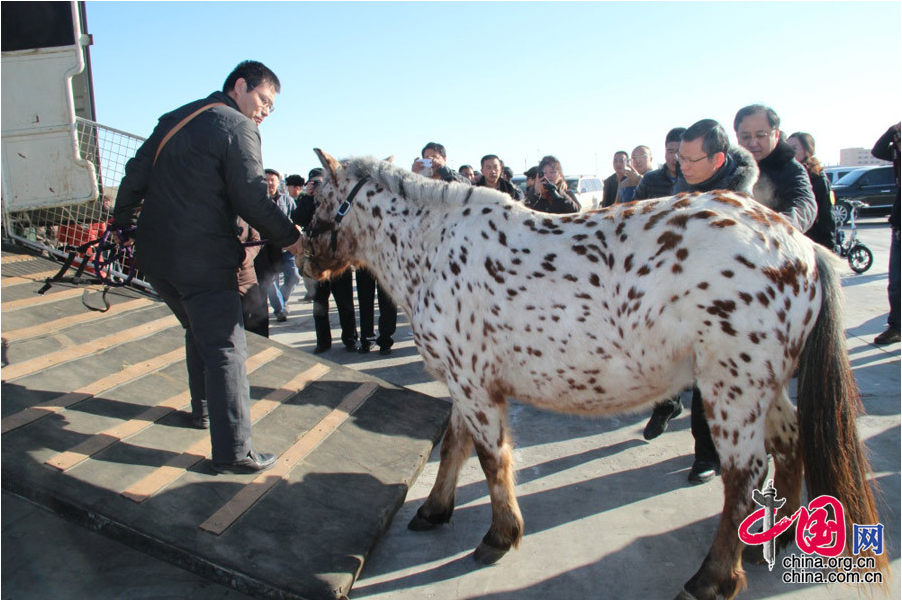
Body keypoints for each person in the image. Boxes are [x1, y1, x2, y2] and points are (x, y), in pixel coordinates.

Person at [111, 60, 303, 474]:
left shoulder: (176, 118)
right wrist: (295, 240)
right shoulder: (238, 127)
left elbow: (135, 174)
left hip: (157, 259)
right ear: (239, 86)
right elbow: (253, 199)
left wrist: (123, 222)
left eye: (272, 107)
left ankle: (201, 410)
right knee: (226, 348)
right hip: (204, 260)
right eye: (264, 100)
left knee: (198, 331)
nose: (265, 111)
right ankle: (234, 451)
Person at [643, 119, 759, 485]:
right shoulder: (682, 186)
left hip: (735, 305)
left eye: (693, 160)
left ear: (719, 159)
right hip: (687, 301)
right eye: (680, 158)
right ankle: (705, 454)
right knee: (700, 376)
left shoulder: (739, 197)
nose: (683, 166)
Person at [292, 174, 359, 353]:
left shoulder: (337, 201)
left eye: (322, 182)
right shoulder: (307, 201)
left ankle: (350, 339)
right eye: (315, 183)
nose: (320, 187)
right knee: (319, 304)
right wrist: (308, 197)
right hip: (317, 261)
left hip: (339, 259)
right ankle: (323, 342)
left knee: (345, 303)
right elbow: (297, 219)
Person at [733, 104, 817, 233]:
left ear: (776, 135)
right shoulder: (731, 167)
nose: (753, 143)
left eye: (760, 135)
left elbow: (805, 205)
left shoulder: (791, 169)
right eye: (746, 137)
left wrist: (776, 226)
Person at [871, 122, 901, 345]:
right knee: (896, 283)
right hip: (899, 225)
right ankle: (896, 326)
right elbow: (878, 150)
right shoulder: (897, 155)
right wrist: (893, 130)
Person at [787, 132, 836, 250]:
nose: (789, 152)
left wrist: (829, 246)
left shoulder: (818, 179)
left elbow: (826, 216)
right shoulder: (786, 175)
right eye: (787, 147)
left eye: (794, 148)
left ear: (807, 151)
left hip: (812, 242)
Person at [263, 168, 300, 322]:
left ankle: (281, 300)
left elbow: (296, 218)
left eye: (273, 180)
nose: (270, 183)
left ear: (278, 182)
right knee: (271, 282)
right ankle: (280, 310)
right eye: (266, 180)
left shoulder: (287, 200)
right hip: (267, 248)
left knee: (294, 277)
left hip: (287, 248)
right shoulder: (258, 201)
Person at [285, 173, 317, 302]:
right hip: (306, 245)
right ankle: (311, 293)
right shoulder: (303, 199)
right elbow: (297, 218)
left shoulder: (334, 197)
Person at [356, 267, 398, 355]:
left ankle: (385, 340)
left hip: (386, 261)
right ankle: (367, 339)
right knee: (364, 300)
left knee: (388, 302)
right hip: (364, 260)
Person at [635, 127, 685, 200]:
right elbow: (635, 207)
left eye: (679, 152)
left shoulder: (696, 180)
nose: (675, 157)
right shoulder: (649, 179)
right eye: (670, 152)